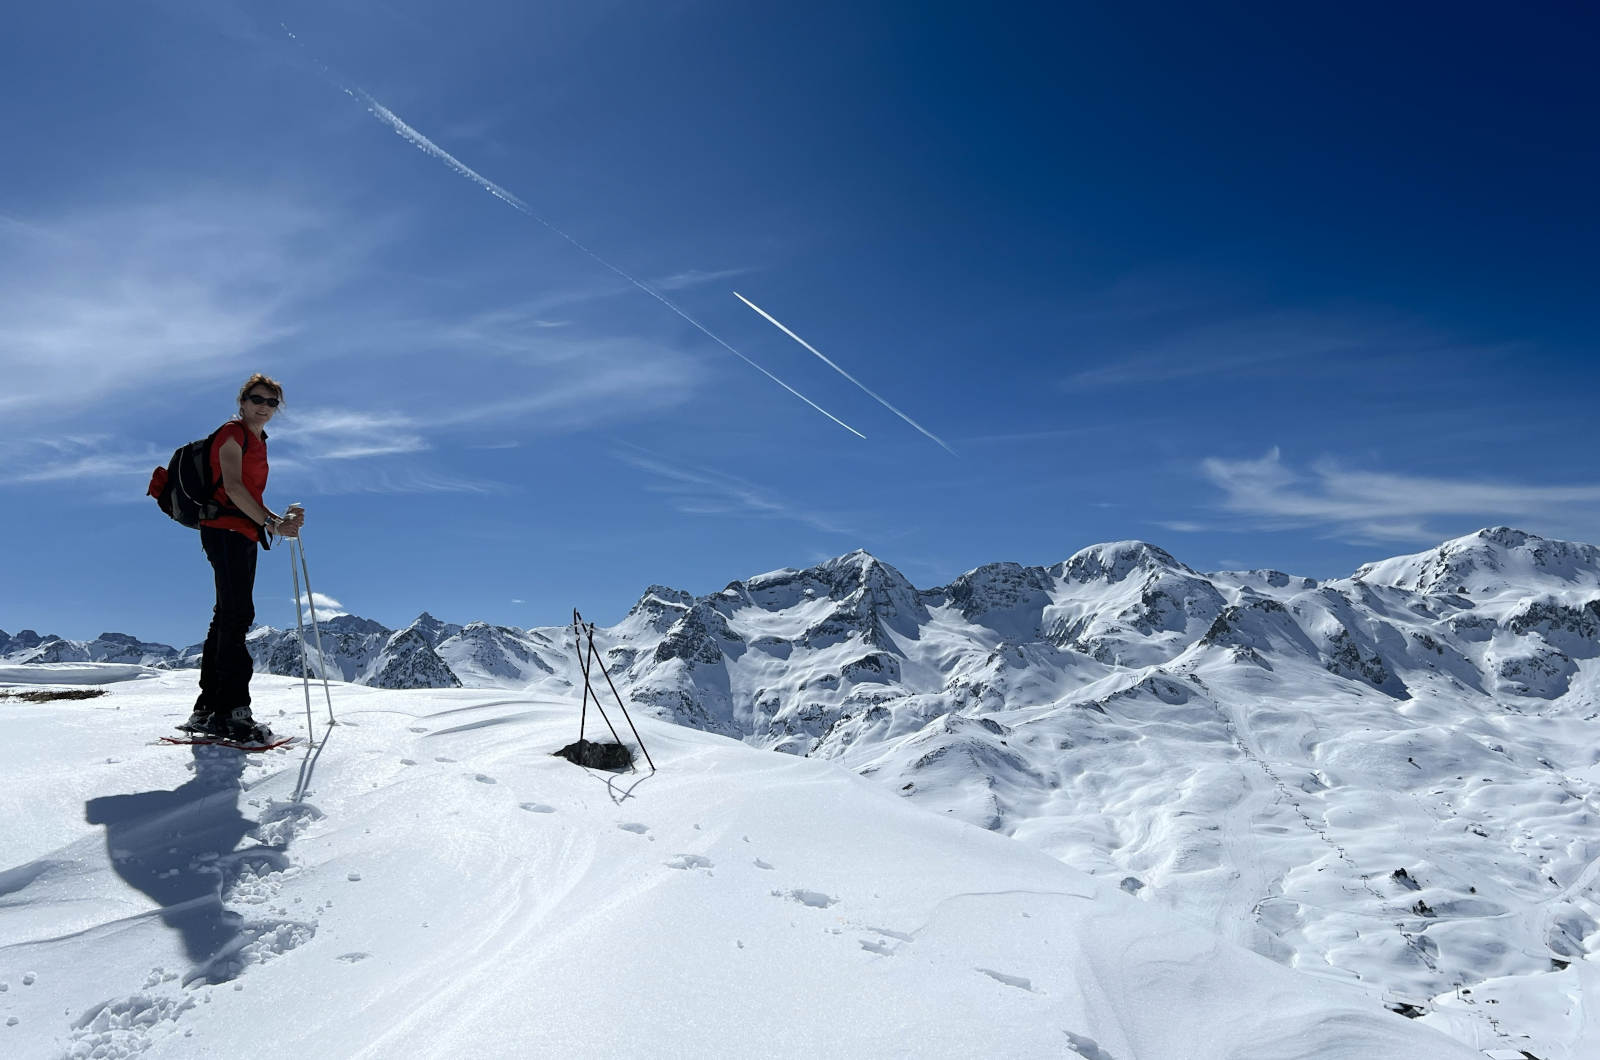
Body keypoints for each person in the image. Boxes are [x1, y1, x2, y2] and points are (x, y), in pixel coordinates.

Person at [179, 374, 305, 744]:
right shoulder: (232, 434)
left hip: (240, 531)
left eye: (271, 402)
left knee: (227, 615)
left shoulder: (257, 440)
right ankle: (233, 712)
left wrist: (275, 522)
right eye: (257, 399)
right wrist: (271, 522)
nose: (264, 406)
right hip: (226, 531)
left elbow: (245, 492)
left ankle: (208, 707)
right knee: (236, 615)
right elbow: (232, 488)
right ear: (243, 401)